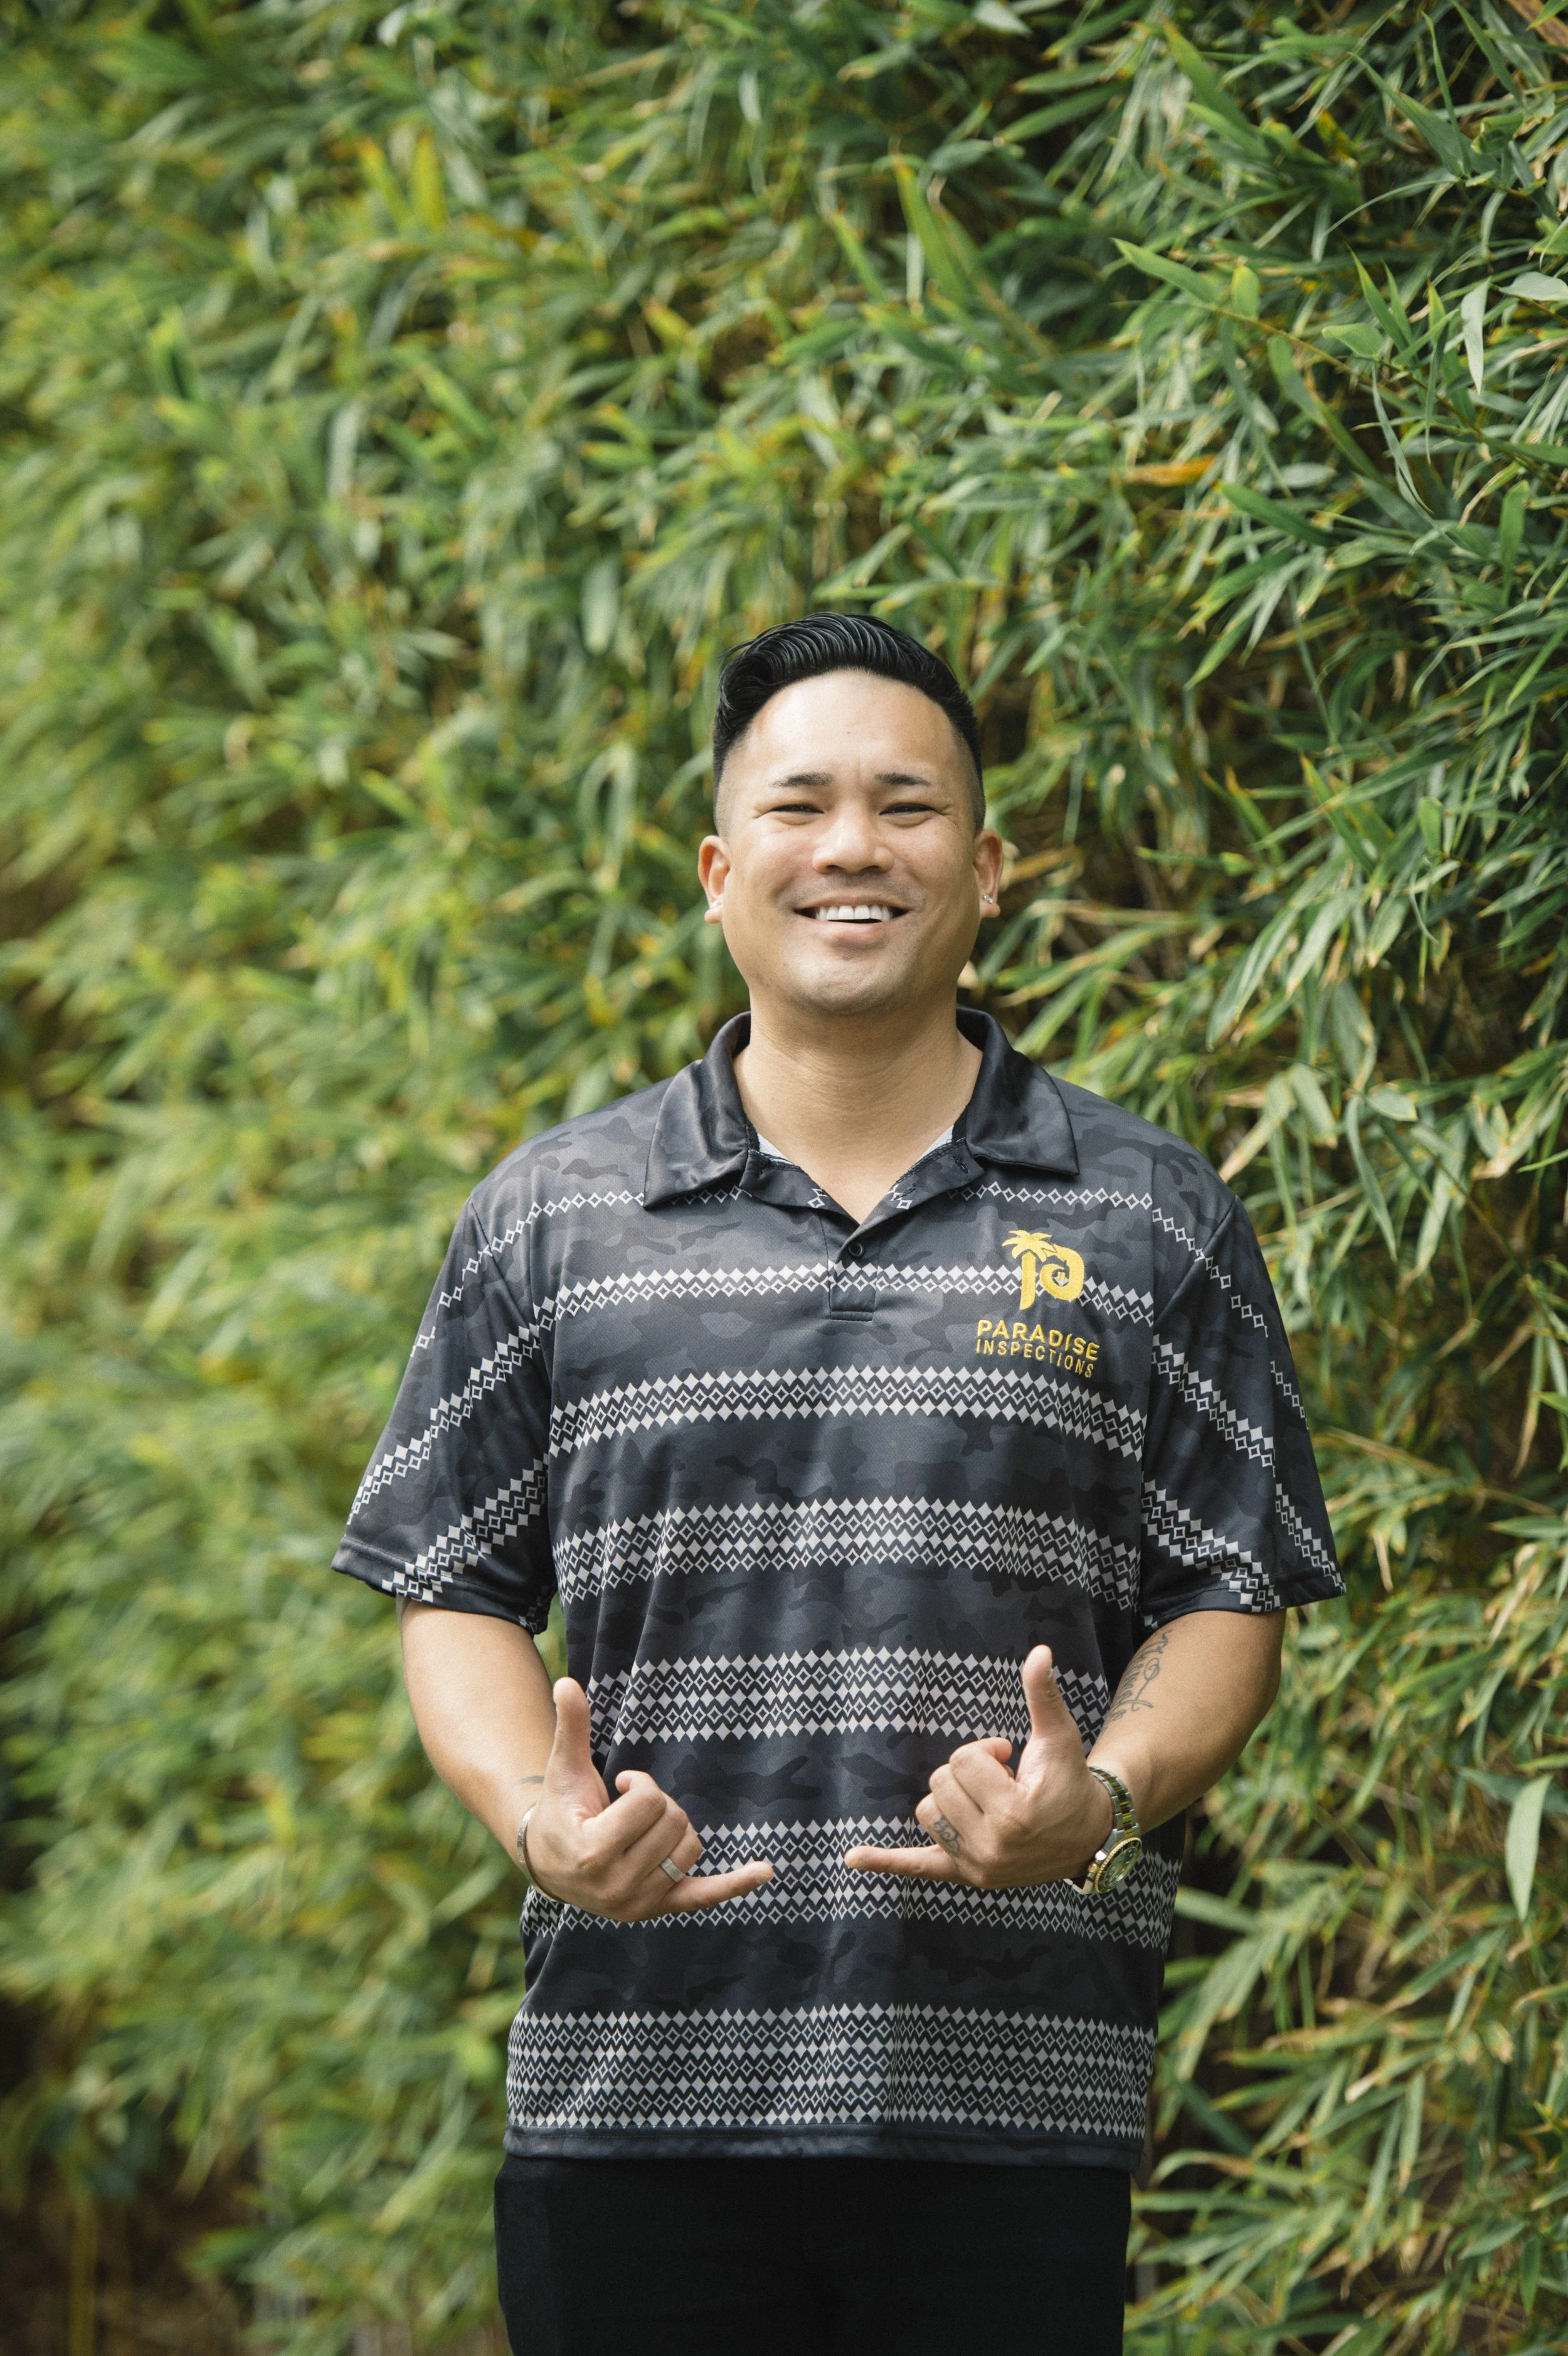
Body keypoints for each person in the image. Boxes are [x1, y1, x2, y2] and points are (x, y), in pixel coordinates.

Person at [332, 612, 1342, 2355]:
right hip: (630, 2094)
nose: (853, 846)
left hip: (1010, 2102)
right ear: (722, 871)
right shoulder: (554, 1215)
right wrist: (533, 1814)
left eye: (906, 804)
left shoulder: (1148, 1212)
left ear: (989, 863)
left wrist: (1094, 1801)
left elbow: (1224, 1590)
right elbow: (452, 1586)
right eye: (800, 806)